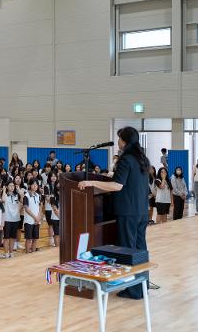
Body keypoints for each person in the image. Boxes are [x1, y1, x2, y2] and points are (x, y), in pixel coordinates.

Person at [78, 126, 150, 300]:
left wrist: (91, 183)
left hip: (128, 212)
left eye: (119, 138)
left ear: (124, 141)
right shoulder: (142, 159)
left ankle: (132, 289)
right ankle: (141, 286)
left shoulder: (126, 159)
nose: (117, 141)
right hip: (141, 211)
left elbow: (117, 186)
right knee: (140, 249)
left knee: (128, 249)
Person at [23, 179, 42, 254]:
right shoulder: (26, 196)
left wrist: (39, 217)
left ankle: (33, 254)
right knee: (29, 239)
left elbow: (40, 207)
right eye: (33, 184)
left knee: (35, 239)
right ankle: (27, 254)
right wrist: (35, 217)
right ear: (30, 185)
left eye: (36, 184)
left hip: (37, 221)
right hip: (29, 221)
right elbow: (26, 209)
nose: (35, 186)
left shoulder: (38, 195)